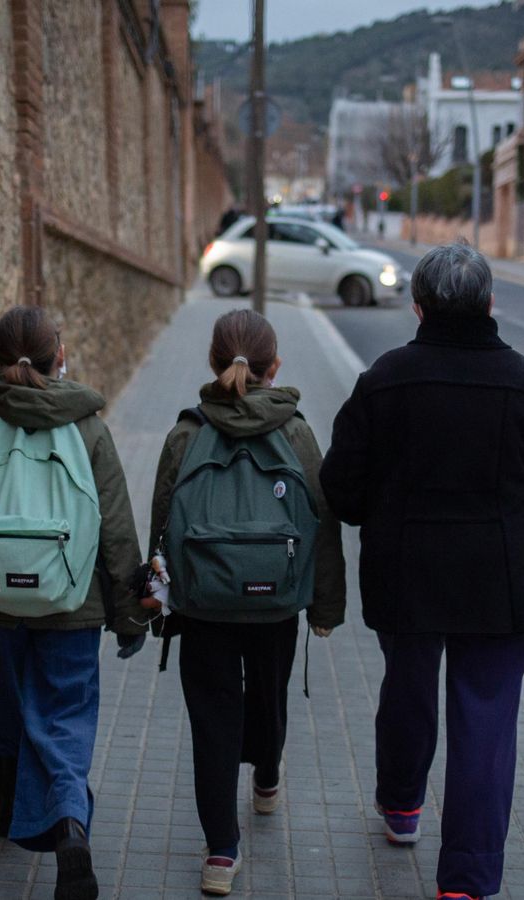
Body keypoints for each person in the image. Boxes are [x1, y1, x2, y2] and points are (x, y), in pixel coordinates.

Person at [319, 243, 524, 900]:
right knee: (485, 722)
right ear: (491, 303)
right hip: (501, 581)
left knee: (408, 693)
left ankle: (402, 807)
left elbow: (342, 487)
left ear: (418, 306)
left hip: (406, 570)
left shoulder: (384, 380)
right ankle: (466, 881)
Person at [0, 306, 147, 900]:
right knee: (65, 713)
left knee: (9, 701)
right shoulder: (88, 429)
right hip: (72, 600)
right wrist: (129, 614)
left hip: (0, 597)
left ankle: (7, 803)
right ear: (60, 355)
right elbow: (116, 529)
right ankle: (69, 824)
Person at [147, 309, 346, 896]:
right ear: (274, 366)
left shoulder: (186, 433)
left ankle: (220, 853)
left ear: (213, 363)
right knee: (269, 696)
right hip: (276, 603)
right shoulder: (298, 432)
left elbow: (162, 523)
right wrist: (326, 608)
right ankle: (265, 776)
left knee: (213, 724)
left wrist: (152, 601)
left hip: (203, 605)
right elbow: (322, 525)